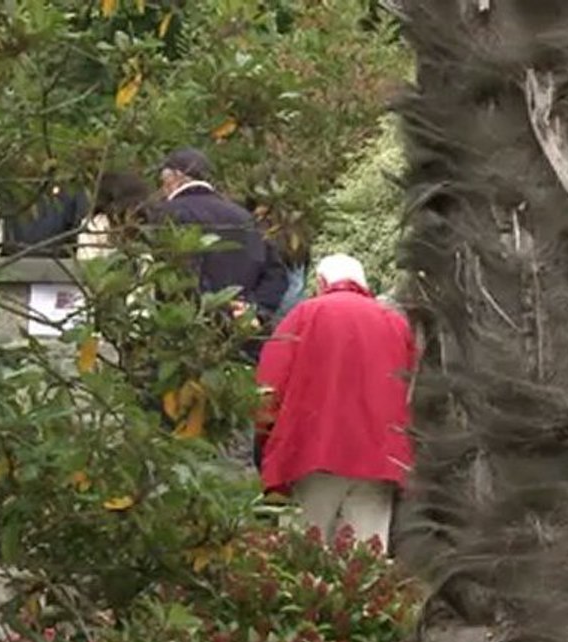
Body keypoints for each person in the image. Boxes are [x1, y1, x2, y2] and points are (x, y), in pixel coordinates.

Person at [254, 254, 415, 548]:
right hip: (380, 458)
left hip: (312, 453)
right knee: (366, 561)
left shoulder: (304, 315)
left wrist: (265, 441)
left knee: (303, 554)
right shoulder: (395, 323)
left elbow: (270, 384)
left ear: (320, 281)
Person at [152, 148, 288, 324]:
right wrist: (255, 309)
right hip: (242, 329)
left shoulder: (164, 216)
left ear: (173, 177)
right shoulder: (243, 216)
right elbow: (275, 273)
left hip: (186, 331)